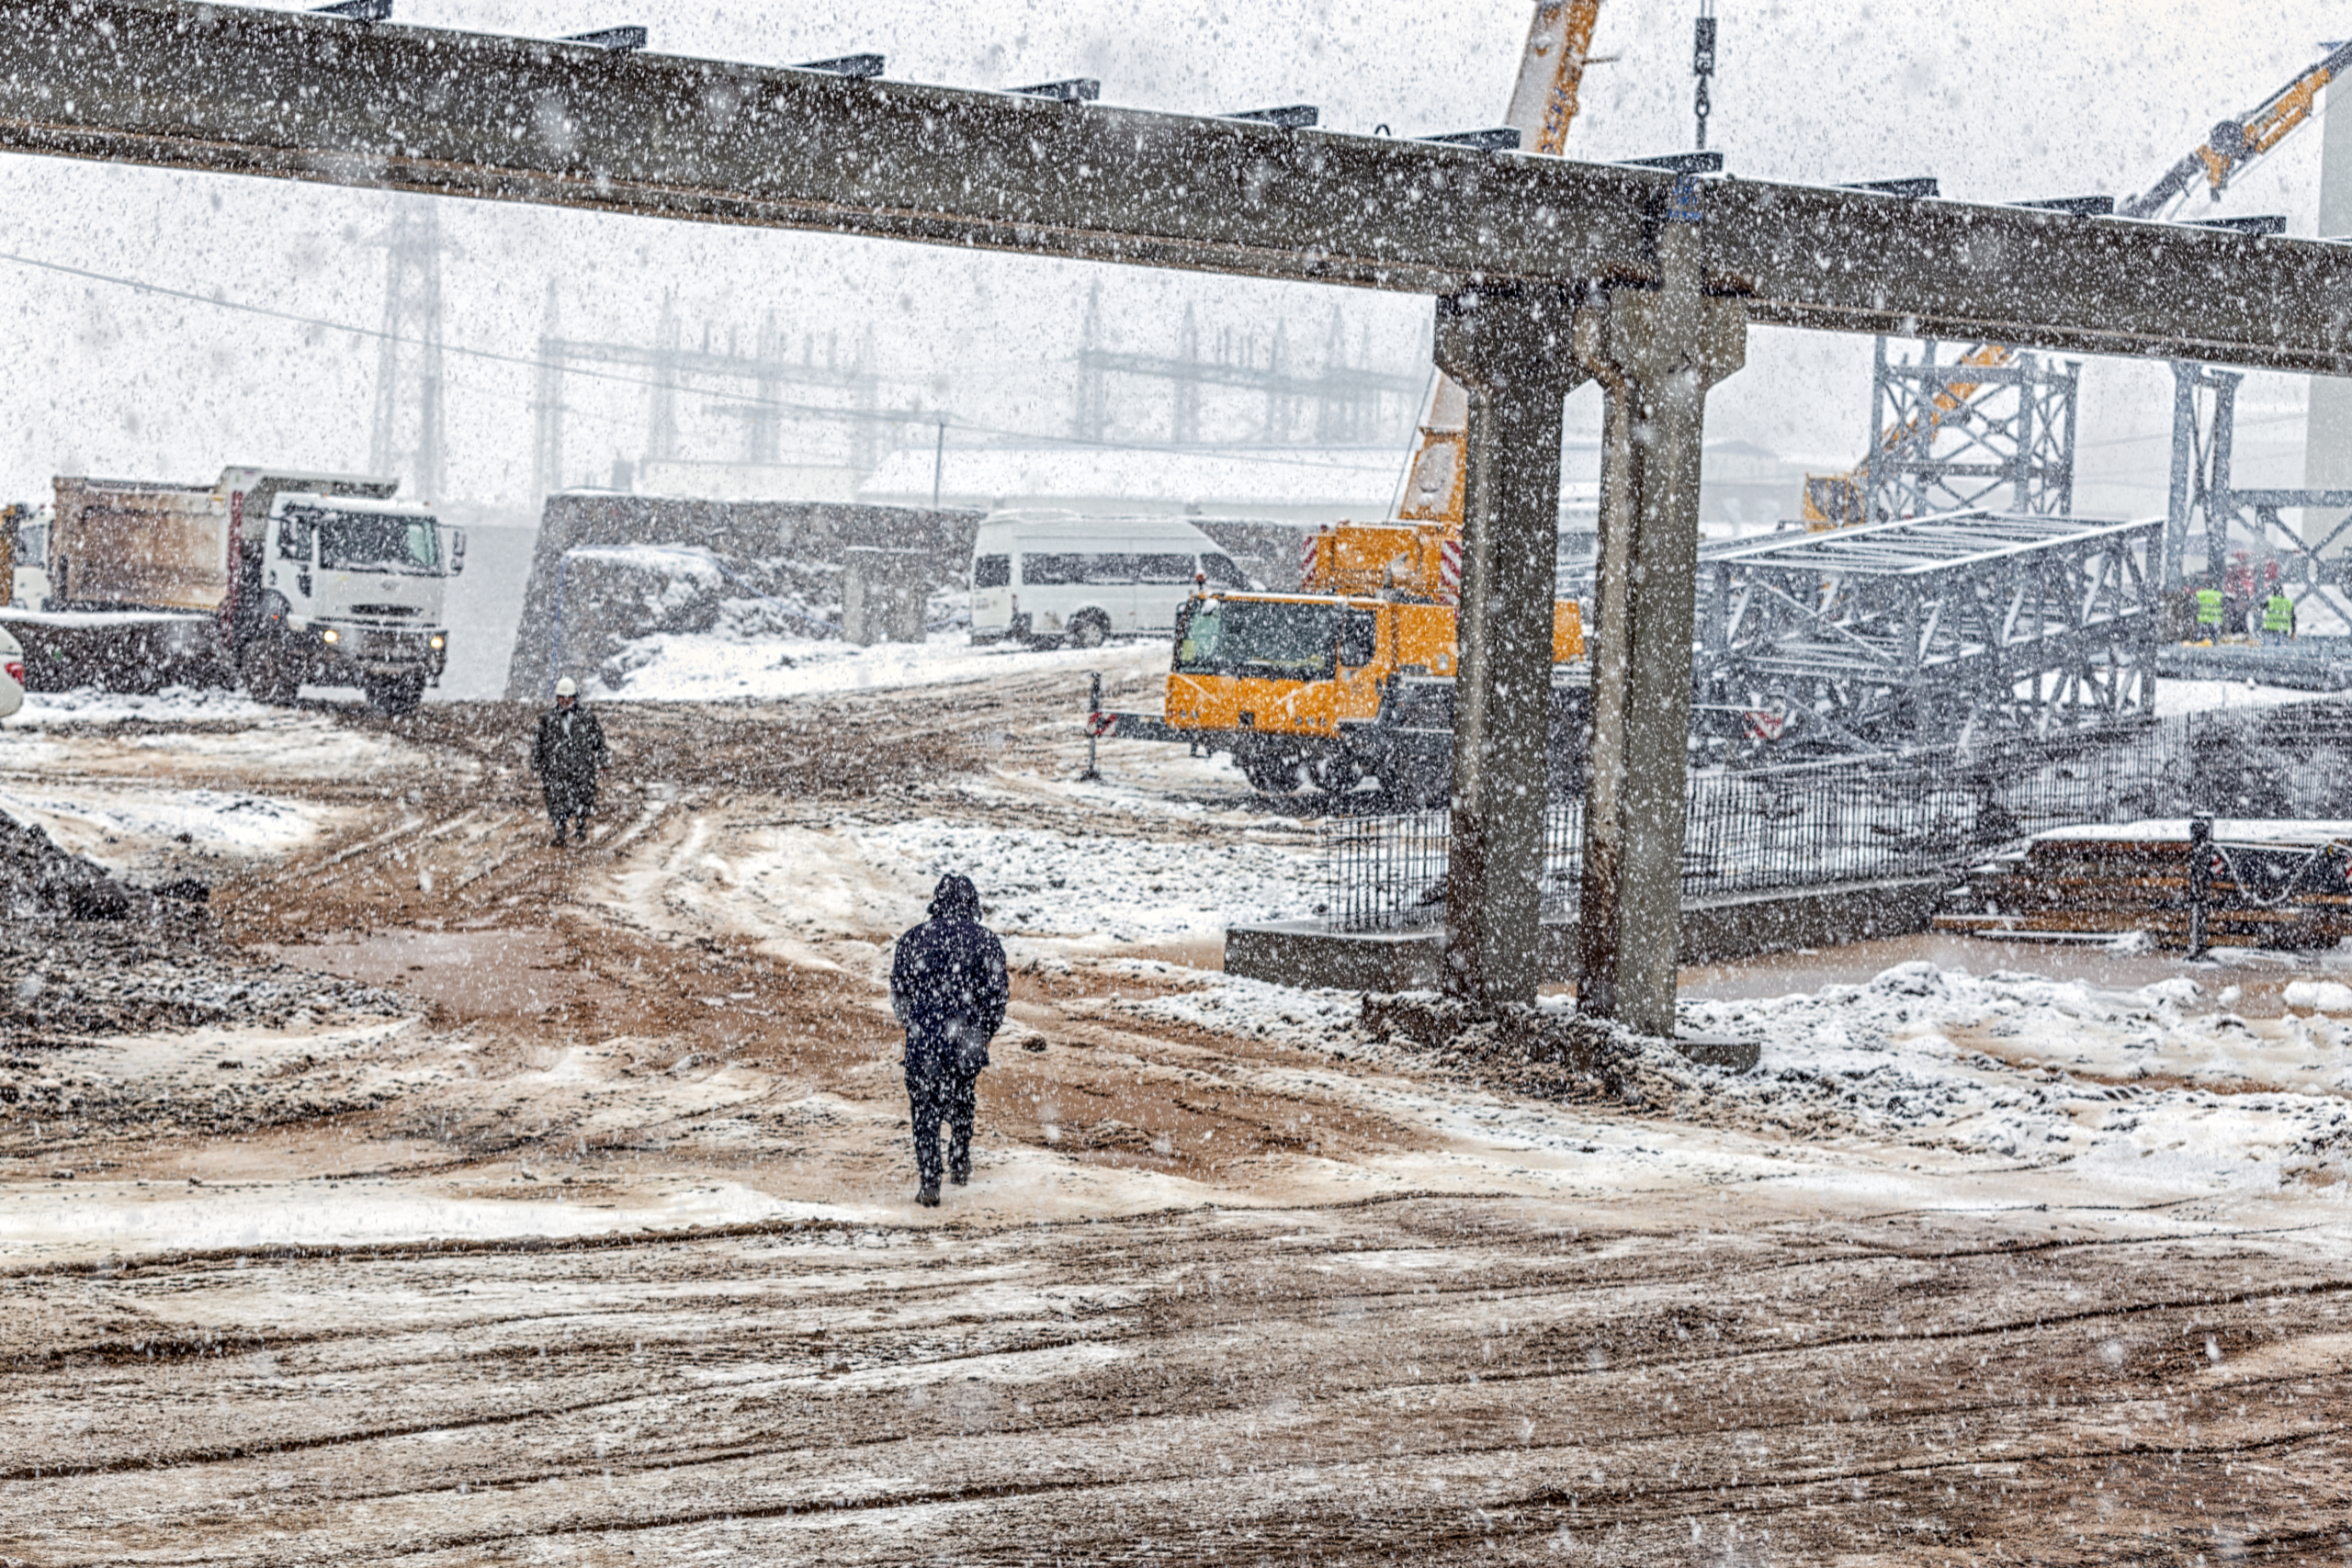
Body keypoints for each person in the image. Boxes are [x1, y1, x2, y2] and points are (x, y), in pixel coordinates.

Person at [888, 874, 1009, 1207]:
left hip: (924, 1040)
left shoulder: (912, 940)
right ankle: (959, 1158)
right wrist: (983, 1034)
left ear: (936, 903)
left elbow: (900, 993)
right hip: (966, 1042)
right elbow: (997, 997)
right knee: (962, 1095)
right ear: (972, 905)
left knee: (924, 1110)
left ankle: (929, 1180)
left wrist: (914, 1023)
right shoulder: (985, 941)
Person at [530, 677, 608, 846]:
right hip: (555, 770)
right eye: (562, 697)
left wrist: (603, 761)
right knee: (556, 802)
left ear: (575, 697)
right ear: (557, 697)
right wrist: (535, 763)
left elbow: (599, 741)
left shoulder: (587, 717)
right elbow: (539, 742)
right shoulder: (548, 719)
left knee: (583, 798)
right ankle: (560, 834)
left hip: (582, 768)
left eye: (569, 696)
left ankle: (581, 826)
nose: (566, 700)